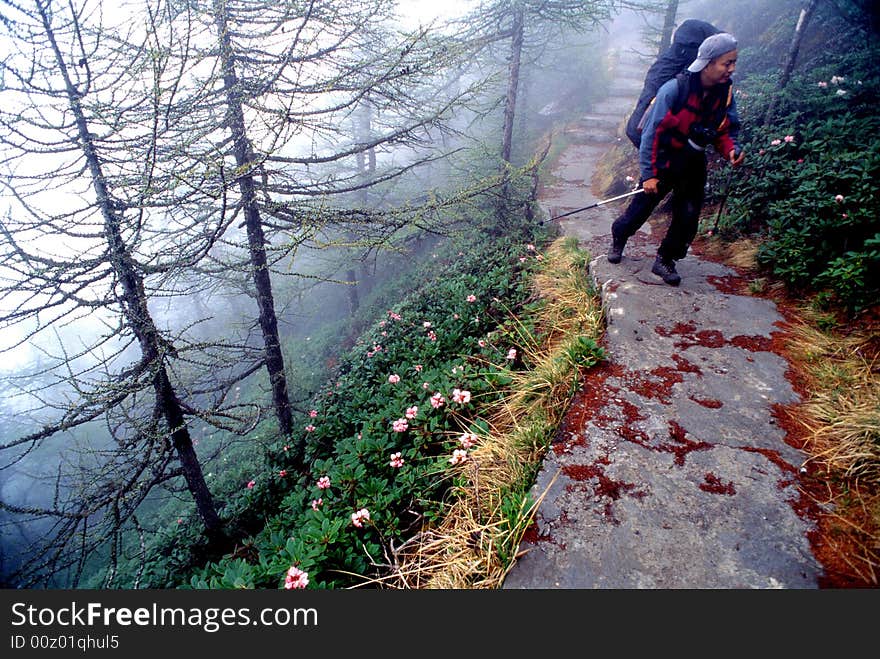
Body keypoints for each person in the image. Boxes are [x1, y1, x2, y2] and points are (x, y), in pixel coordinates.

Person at [608, 32, 745, 286]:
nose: (732, 69)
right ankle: (619, 236)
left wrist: (730, 150)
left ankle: (666, 259)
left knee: (689, 214)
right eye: (727, 63)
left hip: (693, 161)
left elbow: (725, 128)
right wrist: (649, 175)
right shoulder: (674, 89)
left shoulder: (724, 93)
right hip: (664, 159)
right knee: (641, 209)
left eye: (734, 62)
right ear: (708, 62)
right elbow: (651, 134)